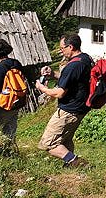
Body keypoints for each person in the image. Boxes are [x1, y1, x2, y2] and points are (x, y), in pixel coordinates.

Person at [35, 33, 92, 168]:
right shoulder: (85, 59)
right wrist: (53, 74)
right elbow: (73, 80)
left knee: (48, 143)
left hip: (69, 110)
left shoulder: (72, 66)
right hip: (81, 107)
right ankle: (70, 165)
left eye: (62, 48)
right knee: (65, 139)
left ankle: (76, 162)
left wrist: (42, 88)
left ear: (70, 47)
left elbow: (60, 93)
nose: (61, 51)